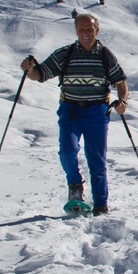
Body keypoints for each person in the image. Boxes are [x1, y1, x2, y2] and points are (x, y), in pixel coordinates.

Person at [21, 13, 129, 216]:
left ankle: (100, 204)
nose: (85, 33)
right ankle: (75, 186)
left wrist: (122, 102)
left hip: (97, 111)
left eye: (89, 29)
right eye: (81, 29)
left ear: (97, 30)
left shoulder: (105, 55)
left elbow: (120, 82)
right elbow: (40, 74)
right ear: (76, 30)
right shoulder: (65, 53)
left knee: (96, 158)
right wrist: (29, 70)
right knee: (67, 151)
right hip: (70, 110)